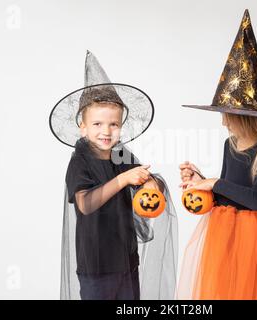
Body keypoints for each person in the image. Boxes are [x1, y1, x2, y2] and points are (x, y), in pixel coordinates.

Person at [177, 9, 257, 300]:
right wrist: (202, 182)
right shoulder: (229, 145)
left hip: (253, 242)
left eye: (226, 115)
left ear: (244, 116)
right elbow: (227, 194)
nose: (222, 121)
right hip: (223, 235)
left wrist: (215, 183)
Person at [50, 51, 178, 300]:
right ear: (83, 126)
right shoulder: (80, 161)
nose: (106, 131)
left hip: (126, 259)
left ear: (121, 125)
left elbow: (146, 178)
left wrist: (150, 183)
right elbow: (86, 204)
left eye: (114, 124)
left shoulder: (120, 154)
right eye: (97, 124)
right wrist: (122, 180)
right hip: (97, 265)